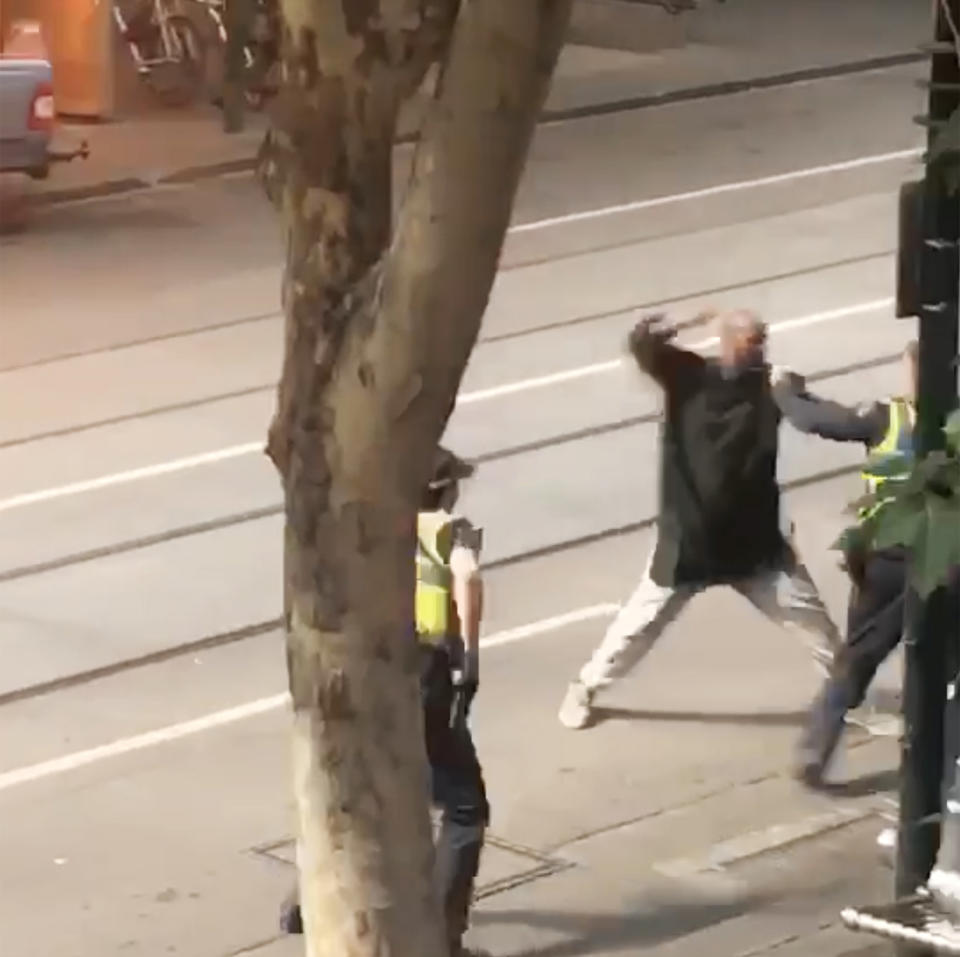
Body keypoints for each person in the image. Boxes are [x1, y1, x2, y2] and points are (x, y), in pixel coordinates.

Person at [558, 309, 841, 730]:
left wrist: (790, 387)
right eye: (749, 343)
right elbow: (642, 344)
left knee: (811, 622)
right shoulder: (686, 375)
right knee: (639, 624)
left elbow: (803, 402)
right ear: (726, 342)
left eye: (761, 342)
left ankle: (850, 692)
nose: (757, 351)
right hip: (691, 540)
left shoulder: (772, 384)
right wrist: (686, 322)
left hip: (754, 541)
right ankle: (585, 687)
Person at [280, 447, 490, 957]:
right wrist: (470, 658)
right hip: (424, 672)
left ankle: (309, 903)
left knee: (357, 786)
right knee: (464, 808)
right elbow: (468, 579)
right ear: (440, 490)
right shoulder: (445, 529)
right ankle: (443, 935)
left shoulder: (366, 528)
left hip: (356, 667)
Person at [772, 342, 918, 787]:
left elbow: (818, 420)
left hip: (884, 562)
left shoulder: (888, 418)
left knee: (857, 657)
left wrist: (785, 390)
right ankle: (936, 756)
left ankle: (817, 745)